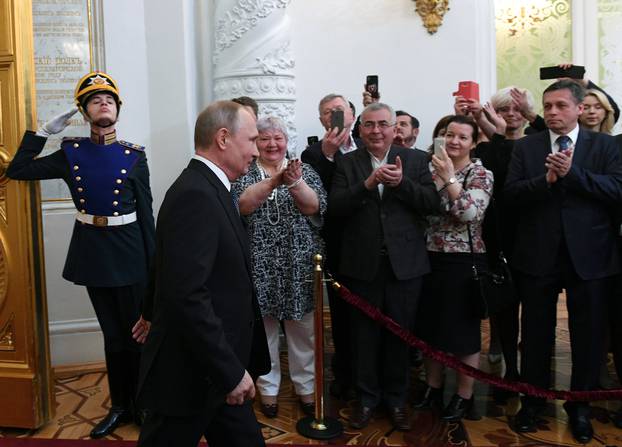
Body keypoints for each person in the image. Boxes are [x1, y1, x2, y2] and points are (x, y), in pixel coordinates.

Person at [6, 71, 155, 439]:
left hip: (132, 252)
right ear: (84, 112)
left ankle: (143, 405)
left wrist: (155, 268)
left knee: (138, 335)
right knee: (113, 336)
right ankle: (119, 407)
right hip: (95, 253)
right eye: (94, 100)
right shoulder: (71, 152)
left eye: (109, 100)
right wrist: (43, 132)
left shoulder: (134, 156)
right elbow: (18, 169)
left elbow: (147, 217)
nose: (103, 104)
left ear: (117, 109)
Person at [136, 101, 270, 447]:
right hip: (192, 372)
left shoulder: (213, 187)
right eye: (252, 140)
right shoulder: (195, 194)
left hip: (216, 367)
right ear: (223, 138)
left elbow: (167, 264)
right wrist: (229, 372)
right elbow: (186, 293)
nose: (256, 151)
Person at [505, 80, 622, 444]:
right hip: (538, 255)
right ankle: (534, 401)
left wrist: (574, 175)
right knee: (536, 334)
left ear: (578, 108)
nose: (553, 112)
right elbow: (510, 196)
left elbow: (617, 190)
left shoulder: (605, 146)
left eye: (560, 106)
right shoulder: (526, 147)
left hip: (591, 256)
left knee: (587, 339)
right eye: (548, 106)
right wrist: (547, 180)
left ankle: (580, 406)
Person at [329, 102, 439, 431]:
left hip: (405, 266)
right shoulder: (348, 163)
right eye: (369, 125)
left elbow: (432, 204)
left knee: (399, 335)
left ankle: (396, 398)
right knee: (362, 336)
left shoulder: (418, 160)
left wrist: (400, 183)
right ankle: (365, 399)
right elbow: (334, 207)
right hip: (361, 266)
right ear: (359, 130)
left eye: (382, 125)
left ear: (395, 129)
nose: (376, 131)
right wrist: (366, 185)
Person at [233, 116, 326, 418]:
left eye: (278, 138)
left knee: (303, 332)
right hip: (258, 266)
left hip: (299, 265)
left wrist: (295, 182)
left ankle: (306, 388)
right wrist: (274, 181)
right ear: (255, 143)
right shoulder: (244, 173)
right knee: (265, 332)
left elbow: (314, 206)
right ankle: (268, 389)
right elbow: (242, 206)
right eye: (264, 139)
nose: (272, 144)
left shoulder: (306, 170)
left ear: (287, 141)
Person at [416, 115, 493, 421]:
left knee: (463, 333)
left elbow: (470, 214)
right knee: (430, 329)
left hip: (463, 261)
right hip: (427, 257)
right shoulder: (426, 169)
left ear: (473, 143)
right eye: (449, 134)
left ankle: (464, 395)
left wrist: (449, 178)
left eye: (462, 137)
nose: (454, 141)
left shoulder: (480, 173)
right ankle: (432, 388)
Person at [470, 86, 536, 401]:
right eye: (504, 110)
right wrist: (493, 134)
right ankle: (510, 369)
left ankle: (533, 374)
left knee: (536, 310)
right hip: (499, 235)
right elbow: (494, 178)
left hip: (533, 235)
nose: (511, 115)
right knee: (504, 305)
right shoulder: (487, 148)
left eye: (516, 110)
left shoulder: (538, 143)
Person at [301, 93, 360, 400]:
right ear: (322, 120)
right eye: (327, 113)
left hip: (371, 244)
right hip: (337, 246)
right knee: (341, 316)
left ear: (352, 114)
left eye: (339, 110)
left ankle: (371, 377)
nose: (333, 116)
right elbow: (318, 200)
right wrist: (327, 156)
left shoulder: (371, 144)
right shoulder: (313, 153)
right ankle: (344, 373)